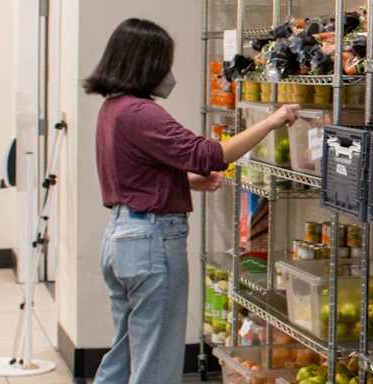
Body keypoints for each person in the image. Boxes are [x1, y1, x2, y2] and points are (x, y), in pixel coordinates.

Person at [84, 18, 299, 384]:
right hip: (151, 244)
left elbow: (132, 175)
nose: (169, 73)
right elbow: (211, 154)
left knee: (123, 355)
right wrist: (272, 121)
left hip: (122, 239)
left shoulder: (113, 109)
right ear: (145, 63)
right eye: (165, 62)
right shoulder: (141, 112)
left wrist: (185, 183)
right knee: (156, 363)